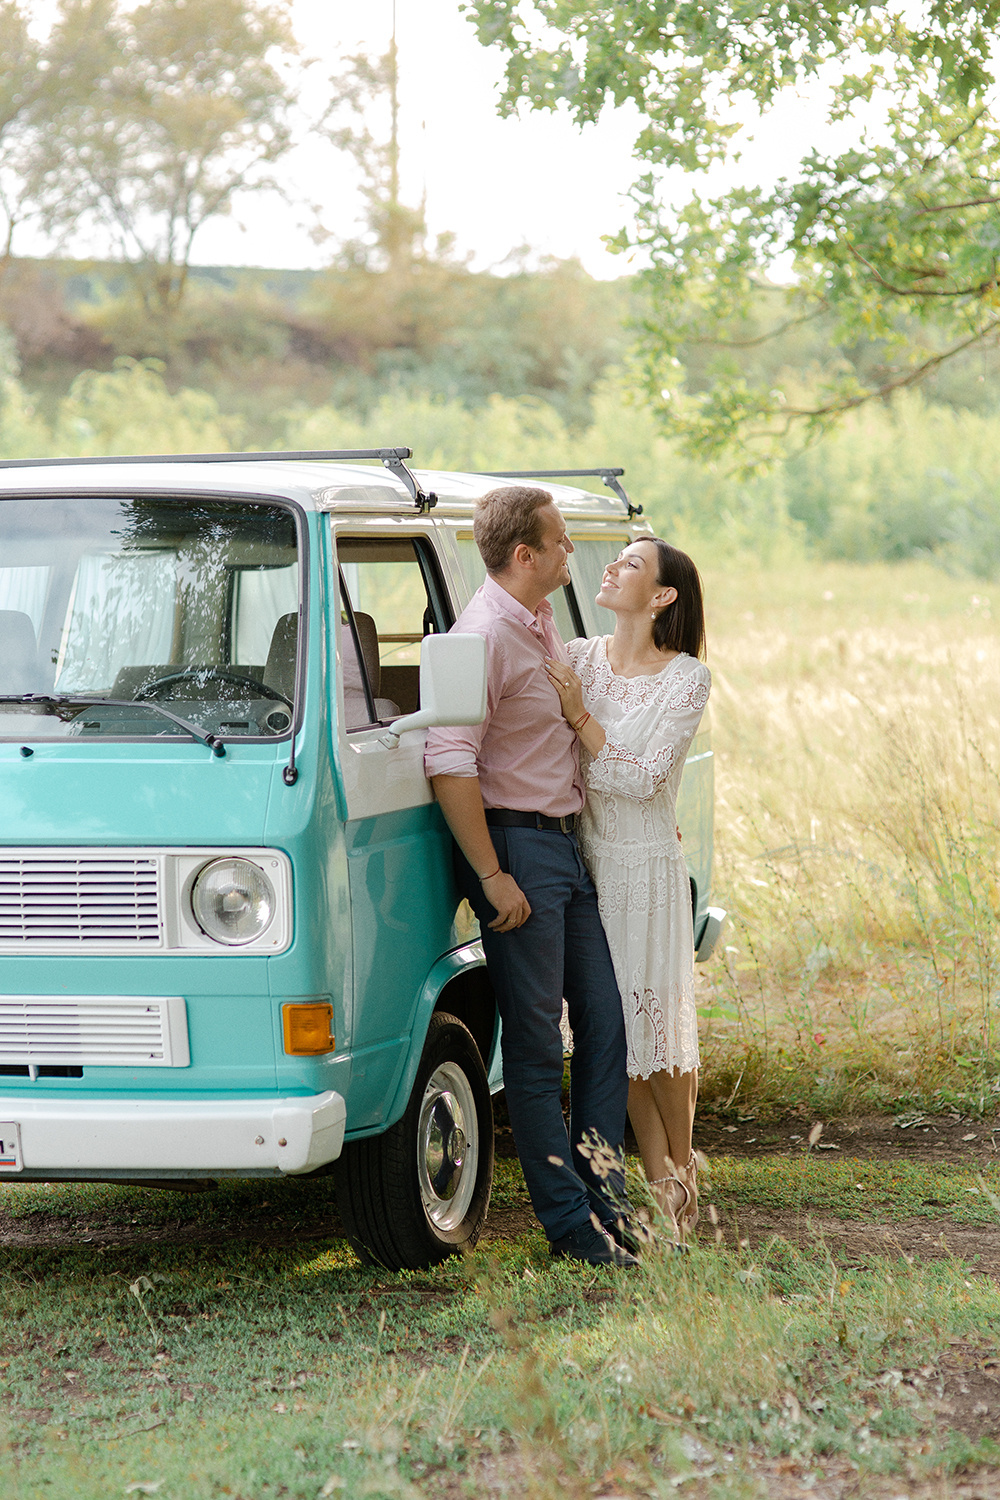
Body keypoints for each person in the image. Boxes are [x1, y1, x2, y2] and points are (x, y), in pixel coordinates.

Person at [424, 486, 639, 1268]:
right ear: (525, 556)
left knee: (608, 1023)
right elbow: (448, 762)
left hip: (565, 844)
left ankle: (604, 1195)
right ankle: (571, 1227)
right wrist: (491, 874)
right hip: (518, 852)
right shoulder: (482, 636)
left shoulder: (540, 620)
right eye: (559, 543)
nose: (569, 554)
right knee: (539, 1049)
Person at [544, 537, 710, 1242]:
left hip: (645, 866)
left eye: (632, 564)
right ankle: (661, 1182)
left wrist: (583, 720)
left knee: (657, 1030)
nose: (611, 568)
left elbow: (644, 781)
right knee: (617, 1036)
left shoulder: (687, 679)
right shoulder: (580, 657)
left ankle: (682, 1169)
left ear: (663, 596)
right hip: (590, 862)